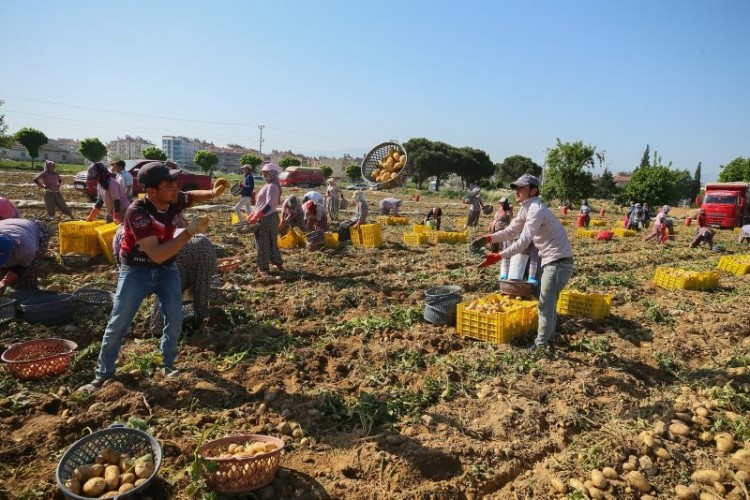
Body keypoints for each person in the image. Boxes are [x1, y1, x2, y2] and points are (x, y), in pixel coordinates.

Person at [76, 162, 226, 393]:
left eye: (176, 184)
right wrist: (189, 232)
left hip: (166, 269)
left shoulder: (173, 198)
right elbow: (156, 254)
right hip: (136, 270)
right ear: (152, 191)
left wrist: (213, 193)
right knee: (119, 322)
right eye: (169, 185)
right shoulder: (138, 212)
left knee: (174, 317)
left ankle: (166, 364)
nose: (176, 189)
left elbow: (191, 196)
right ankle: (103, 375)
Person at [470, 174, 574, 351]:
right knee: (547, 303)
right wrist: (489, 237)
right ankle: (548, 338)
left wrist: (497, 257)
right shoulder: (526, 208)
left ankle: (540, 346)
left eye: (521, 188)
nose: (516, 191)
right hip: (550, 261)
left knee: (545, 305)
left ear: (533, 190)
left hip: (558, 262)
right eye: (516, 188)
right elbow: (511, 231)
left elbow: (524, 242)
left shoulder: (536, 209)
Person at [247, 163, 283, 275]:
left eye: (266, 173)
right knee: (271, 241)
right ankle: (277, 262)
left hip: (267, 218)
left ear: (272, 173)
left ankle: (263, 268)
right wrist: (253, 213)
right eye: (263, 173)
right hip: (266, 217)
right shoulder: (269, 185)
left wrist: (257, 216)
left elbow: (269, 205)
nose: (263, 175)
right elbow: (261, 203)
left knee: (263, 243)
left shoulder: (272, 186)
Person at [0, 218, 51, 296]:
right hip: (9, 225)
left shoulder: (26, 248)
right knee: (5, 271)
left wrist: (5, 281)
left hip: (38, 229)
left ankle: (29, 293)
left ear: (12, 251)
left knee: (28, 272)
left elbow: (21, 267)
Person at [488, 197, 514, 275]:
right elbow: (495, 218)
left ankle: (503, 257)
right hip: (495, 226)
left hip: (503, 227)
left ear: (505, 203)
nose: (500, 204)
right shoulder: (499, 209)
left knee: (503, 243)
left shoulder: (509, 210)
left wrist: (509, 210)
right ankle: (495, 255)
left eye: (502, 203)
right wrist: (491, 225)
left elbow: (510, 217)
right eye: (500, 202)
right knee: (494, 244)